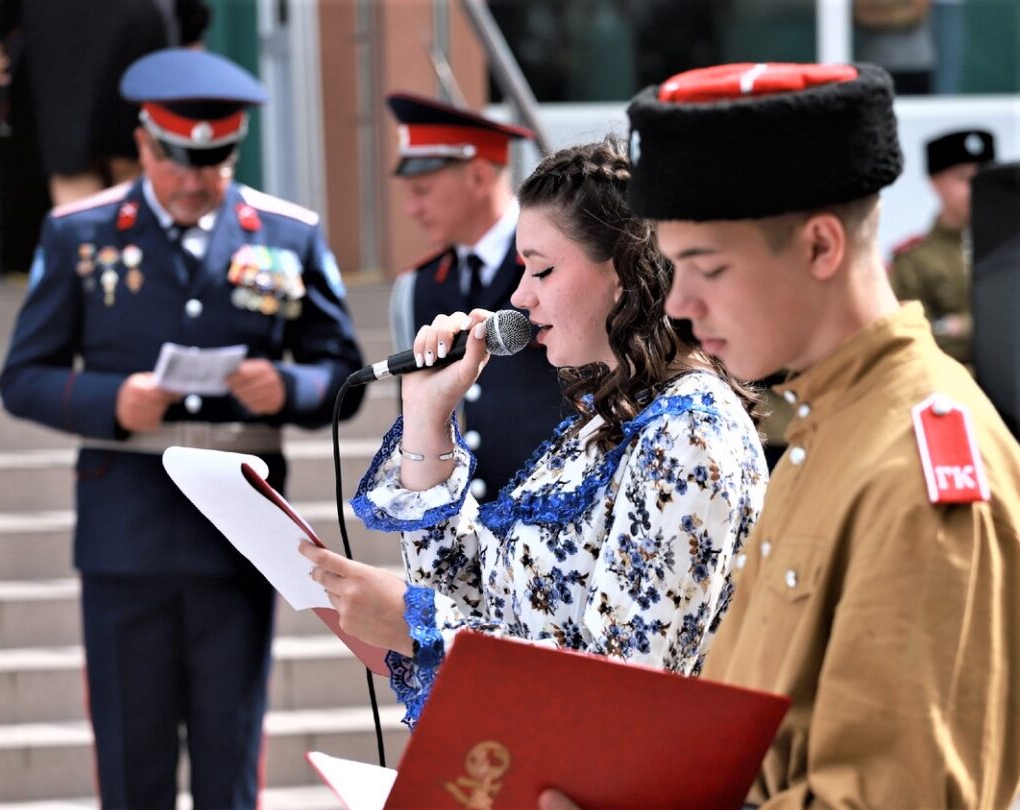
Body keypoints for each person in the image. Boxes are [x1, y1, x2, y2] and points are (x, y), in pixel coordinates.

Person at [539, 62, 1020, 810]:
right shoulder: (825, 421)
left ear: (822, 247)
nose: (684, 304)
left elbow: (893, 807)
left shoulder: (916, 465)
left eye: (709, 267)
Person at [0, 48, 365, 810]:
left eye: (215, 159)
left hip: (239, 532)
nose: (197, 179)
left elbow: (343, 370)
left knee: (231, 760)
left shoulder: (287, 233)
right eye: (179, 159)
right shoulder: (81, 234)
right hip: (125, 528)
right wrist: (108, 400)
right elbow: (21, 376)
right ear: (143, 144)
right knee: (134, 764)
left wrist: (289, 385)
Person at [300, 137, 768, 729]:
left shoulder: (690, 431)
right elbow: (470, 591)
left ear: (623, 272)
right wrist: (426, 417)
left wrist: (414, 623)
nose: (520, 297)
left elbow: (624, 686)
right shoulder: (609, 416)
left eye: (543, 269)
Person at [385, 92, 565, 502]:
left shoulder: (556, 260)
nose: (411, 209)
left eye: (423, 190)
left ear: (479, 177)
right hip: (461, 527)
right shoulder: (418, 286)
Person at [0, 0, 212, 206]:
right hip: (133, 20)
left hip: (62, 27)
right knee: (131, 156)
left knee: (77, 165)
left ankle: (92, 241)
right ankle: (125, 239)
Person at [889, 128, 996, 365]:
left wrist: (962, 326)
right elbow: (915, 340)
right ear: (936, 182)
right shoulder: (914, 260)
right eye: (963, 178)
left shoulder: (1010, 249)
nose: (976, 188)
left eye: (983, 176)